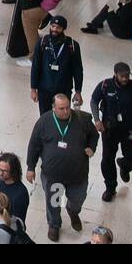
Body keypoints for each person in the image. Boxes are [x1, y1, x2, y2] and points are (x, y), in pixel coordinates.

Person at [26, 93, 98, 242]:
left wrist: (91, 147)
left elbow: (94, 134)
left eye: (67, 108)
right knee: (54, 202)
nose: (66, 111)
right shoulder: (43, 122)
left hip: (78, 175)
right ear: (53, 108)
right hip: (54, 175)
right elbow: (34, 145)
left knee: (77, 200)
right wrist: (30, 167)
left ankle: (73, 211)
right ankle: (54, 224)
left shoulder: (82, 119)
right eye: (61, 109)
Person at [91, 62, 132, 202]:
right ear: (115, 74)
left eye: (127, 75)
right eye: (122, 76)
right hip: (109, 129)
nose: (125, 78)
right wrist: (97, 120)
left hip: (129, 129)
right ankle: (110, 187)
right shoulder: (105, 86)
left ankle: (124, 166)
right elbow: (94, 101)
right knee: (107, 159)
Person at [30, 15, 83, 116]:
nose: (54, 29)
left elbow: (78, 70)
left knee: (63, 117)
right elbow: (36, 66)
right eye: (53, 26)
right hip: (44, 89)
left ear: (63, 29)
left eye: (58, 27)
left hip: (64, 90)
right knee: (45, 117)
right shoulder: (42, 42)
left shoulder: (72, 46)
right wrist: (33, 88)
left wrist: (78, 91)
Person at [0, 152, 29, 224]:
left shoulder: (21, 194)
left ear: (13, 171)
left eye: (4, 171)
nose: (0, 173)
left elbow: (18, 222)